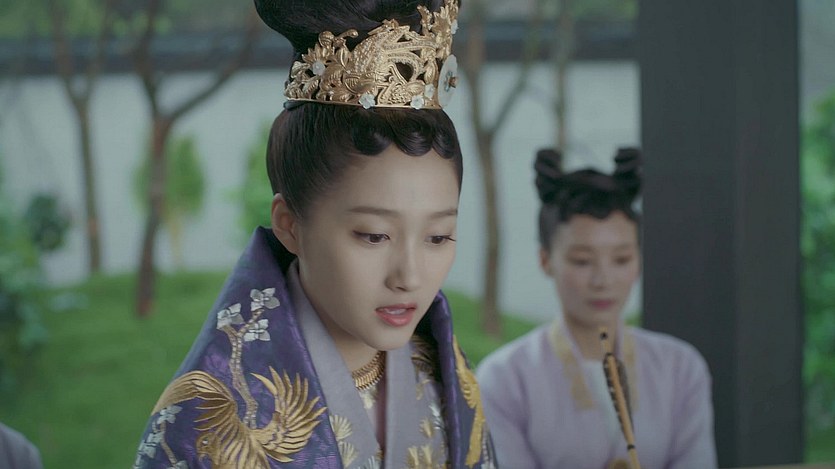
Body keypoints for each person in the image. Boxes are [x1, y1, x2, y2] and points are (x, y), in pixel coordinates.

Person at [132, 0, 495, 467]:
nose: (409, 276)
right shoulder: (210, 425)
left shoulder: (448, 381)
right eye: (373, 236)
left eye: (438, 237)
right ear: (289, 224)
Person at [476, 148, 717, 469]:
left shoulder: (680, 368)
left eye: (622, 259)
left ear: (639, 260)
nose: (603, 280)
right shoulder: (505, 378)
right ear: (546, 261)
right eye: (582, 261)